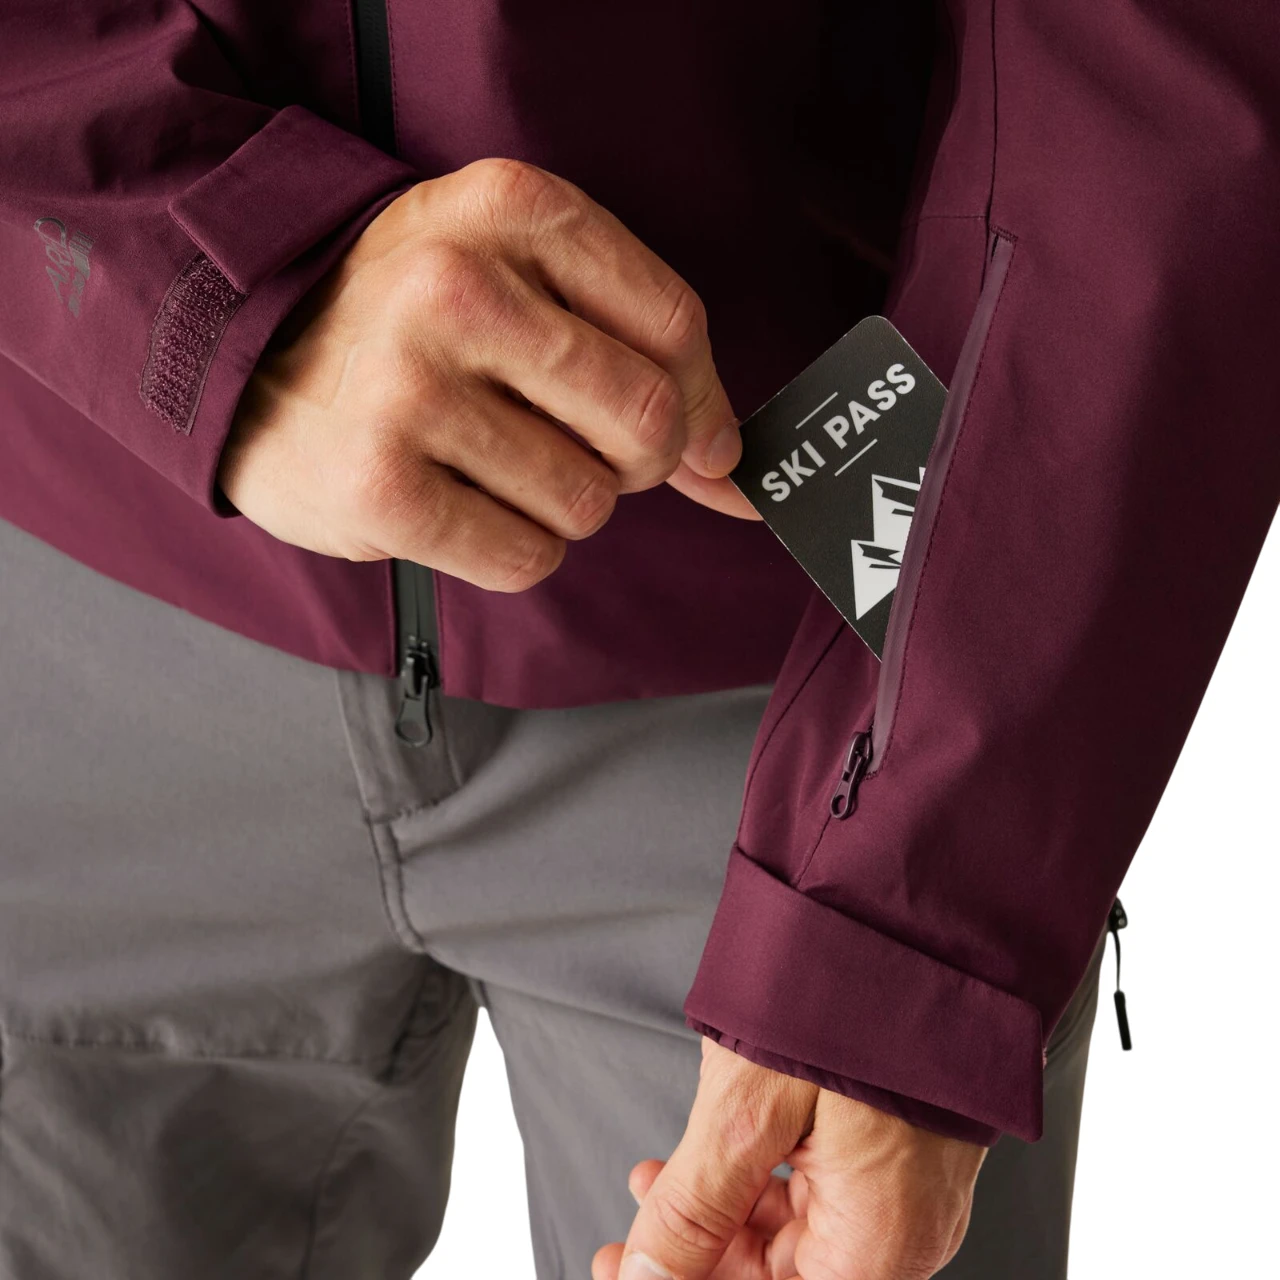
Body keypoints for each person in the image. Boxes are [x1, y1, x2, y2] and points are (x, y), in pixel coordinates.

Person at [1, 3, 1275, 1278]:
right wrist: (192, 293)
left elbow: (1156, 59)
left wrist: (908, 907)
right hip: (86, 616)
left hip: (808, 723)